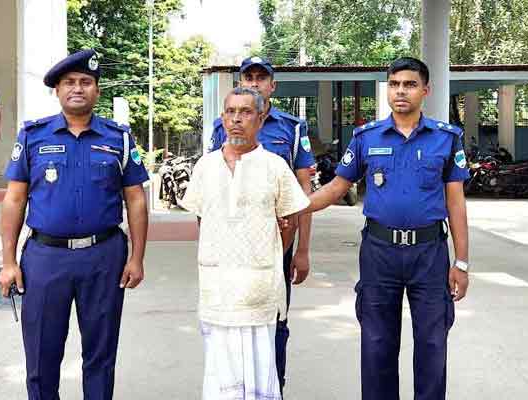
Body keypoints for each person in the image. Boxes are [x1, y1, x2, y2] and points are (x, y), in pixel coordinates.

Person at [304, 57, 470, 400]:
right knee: (377, 344)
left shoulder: (446, 138)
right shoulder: (367, 137)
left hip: (429, 253)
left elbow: (455, 203)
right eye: (394, 84)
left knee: (432, 343)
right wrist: (295, 206)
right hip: (380, 253)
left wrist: (462, 262)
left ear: (425, 90)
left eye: (409, 84)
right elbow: (337, 187)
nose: (400, 91)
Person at [0, 49, 150, 400]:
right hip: (45, 258)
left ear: (97, 90)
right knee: (41, 355)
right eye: (69, 82)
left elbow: (136, 200)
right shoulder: (33, 136)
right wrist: (8, 262)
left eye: (86, 82)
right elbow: (14, 200)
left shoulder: (119, 138)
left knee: (100, 354)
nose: (77, 88)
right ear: (58, 91)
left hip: (104, 256)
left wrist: (137, 257)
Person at [181, 87, 310, 400]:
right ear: (223, 117)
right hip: (217, 289)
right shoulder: (205, 167)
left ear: (261, 118)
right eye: (230, 112)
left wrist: (269, 247)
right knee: (220, 377)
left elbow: (290, 221)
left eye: (246, 112)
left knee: (259, 375)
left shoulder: (276, 167)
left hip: (259, 291)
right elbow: (203, 220)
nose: (236, 119)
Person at [208, 56, 315, 392]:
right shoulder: (221, 126)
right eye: (248, 77)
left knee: (275, 320)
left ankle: (273, 389)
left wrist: (303, 250)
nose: (254, 83)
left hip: (277, 245)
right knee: (229, 320)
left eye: (260, 78)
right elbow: (213, 189)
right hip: (232, 248)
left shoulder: (292, 128)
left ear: (273, 86)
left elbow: (303, 193)